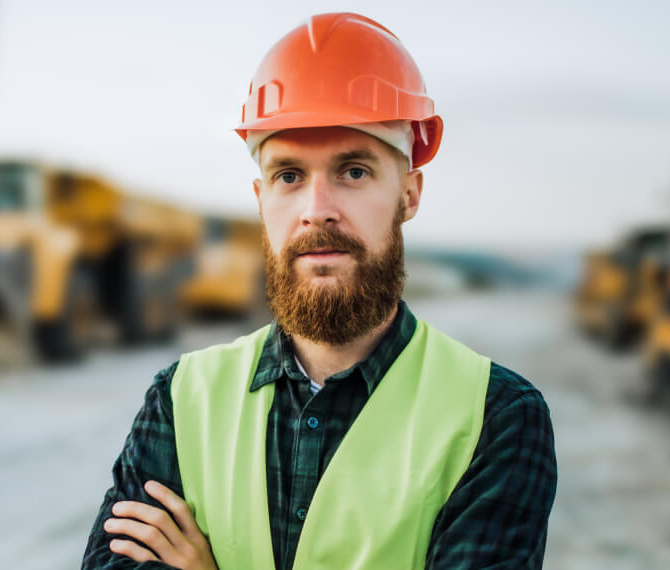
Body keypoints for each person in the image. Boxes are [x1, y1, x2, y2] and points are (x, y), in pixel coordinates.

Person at [82, 12, 556, 570]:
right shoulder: (181, 398)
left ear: (409, 193)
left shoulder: (495, 418)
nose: (316, 210)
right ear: (261, 199)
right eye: (289, 176)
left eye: (353, 171)